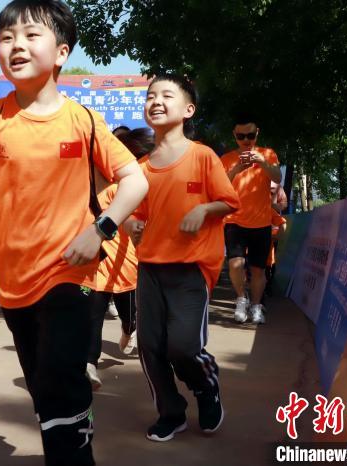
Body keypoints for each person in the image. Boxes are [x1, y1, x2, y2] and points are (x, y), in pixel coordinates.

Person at [0, 1, 148, 464]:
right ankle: (74, 432)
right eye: (6, 38)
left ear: (62, 51)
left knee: (60, 376)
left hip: (72, 272)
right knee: (43, 385)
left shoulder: (83, 120)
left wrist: (101, 228)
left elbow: (135, 180)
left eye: (30, 35)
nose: (16, 46)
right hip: (13, 279)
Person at [127, 74, 239, 442]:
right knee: (150, 347)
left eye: (166, 96)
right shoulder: (141, 168)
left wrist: (205, 208)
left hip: (191, 269)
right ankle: (170, 412)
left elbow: (229, 201)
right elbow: (135, 213)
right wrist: (131, 223)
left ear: (188, 110)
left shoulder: (203, 156)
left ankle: (207, 388)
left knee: (184, 346)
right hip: (150, 269)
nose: (155, 101)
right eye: (150, 96)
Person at [86, 127, 154, 390]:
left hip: (125, 266)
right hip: (96, 263)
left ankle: (129, 328)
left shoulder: (128, 185)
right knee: (92, 314)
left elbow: (125, 217)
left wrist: (133, 227)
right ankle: (89, 363)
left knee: (129, 313)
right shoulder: (88, 182)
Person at [221, 112, 282, 324]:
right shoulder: (227, 159)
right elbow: (220, 186)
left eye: (250, 135)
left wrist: (263, 162)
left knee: (258, 268)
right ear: (234, 135)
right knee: (235, 264)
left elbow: (277, 177)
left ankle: (256, 307)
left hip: (262, 221)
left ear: (257, 133)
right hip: (234, 220)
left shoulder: (268, 153)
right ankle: (240, 299)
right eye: (241, 136)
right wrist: (238, 168)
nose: (246, 140)